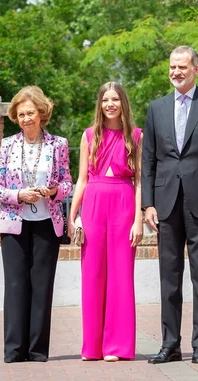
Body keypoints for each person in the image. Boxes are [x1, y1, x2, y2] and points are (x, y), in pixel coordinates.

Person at [142, 46, 198, 364]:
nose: (176, 72)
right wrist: (147, 205)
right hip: (165, 204)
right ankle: (170, 344)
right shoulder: (156, 108)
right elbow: (148, 160)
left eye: (182, 67)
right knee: (169, 276)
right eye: (172, 67)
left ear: (197, 68)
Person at [0, 86, 73, 363]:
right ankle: (14, 350)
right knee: (15, 285)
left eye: (30, 113)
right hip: (14, 222)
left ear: (41, 114)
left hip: (47, 223)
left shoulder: (58, 144)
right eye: (21, 114)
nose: (26, 118)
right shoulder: (7, 145)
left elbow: (67, 183)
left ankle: (37, 351)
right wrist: (18, 195)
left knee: (42, 285)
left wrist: (52, 192)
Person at [68, 82, 143, 362]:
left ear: (123, 103)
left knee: (122, 276)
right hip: (94, 205)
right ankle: (93, 347)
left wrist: (138, 220)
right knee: (93, 274)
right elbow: (82, 180)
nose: (110, 104)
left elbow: (139, 181)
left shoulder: (136, 136)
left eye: (115, 99)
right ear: (100, 104)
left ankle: (117, 347)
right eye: (105, 100)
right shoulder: (89, 135)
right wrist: (73, 217)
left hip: (124, 205)